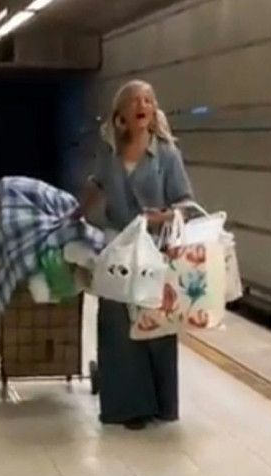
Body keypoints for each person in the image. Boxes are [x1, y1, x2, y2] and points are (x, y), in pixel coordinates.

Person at [77, 80, 194, 430]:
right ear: (121, 115)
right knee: (116, 327)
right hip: (118, 250)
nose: (143, 105)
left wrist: (164, 216)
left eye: (148, 100)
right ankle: (127, 407)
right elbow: (97, 186)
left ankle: (160, 404)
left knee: (154, 325)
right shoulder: (109, 154)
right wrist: (71, 215)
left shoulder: (167, 154)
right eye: (134, 101)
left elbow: (186, 203)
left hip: (155, 251)